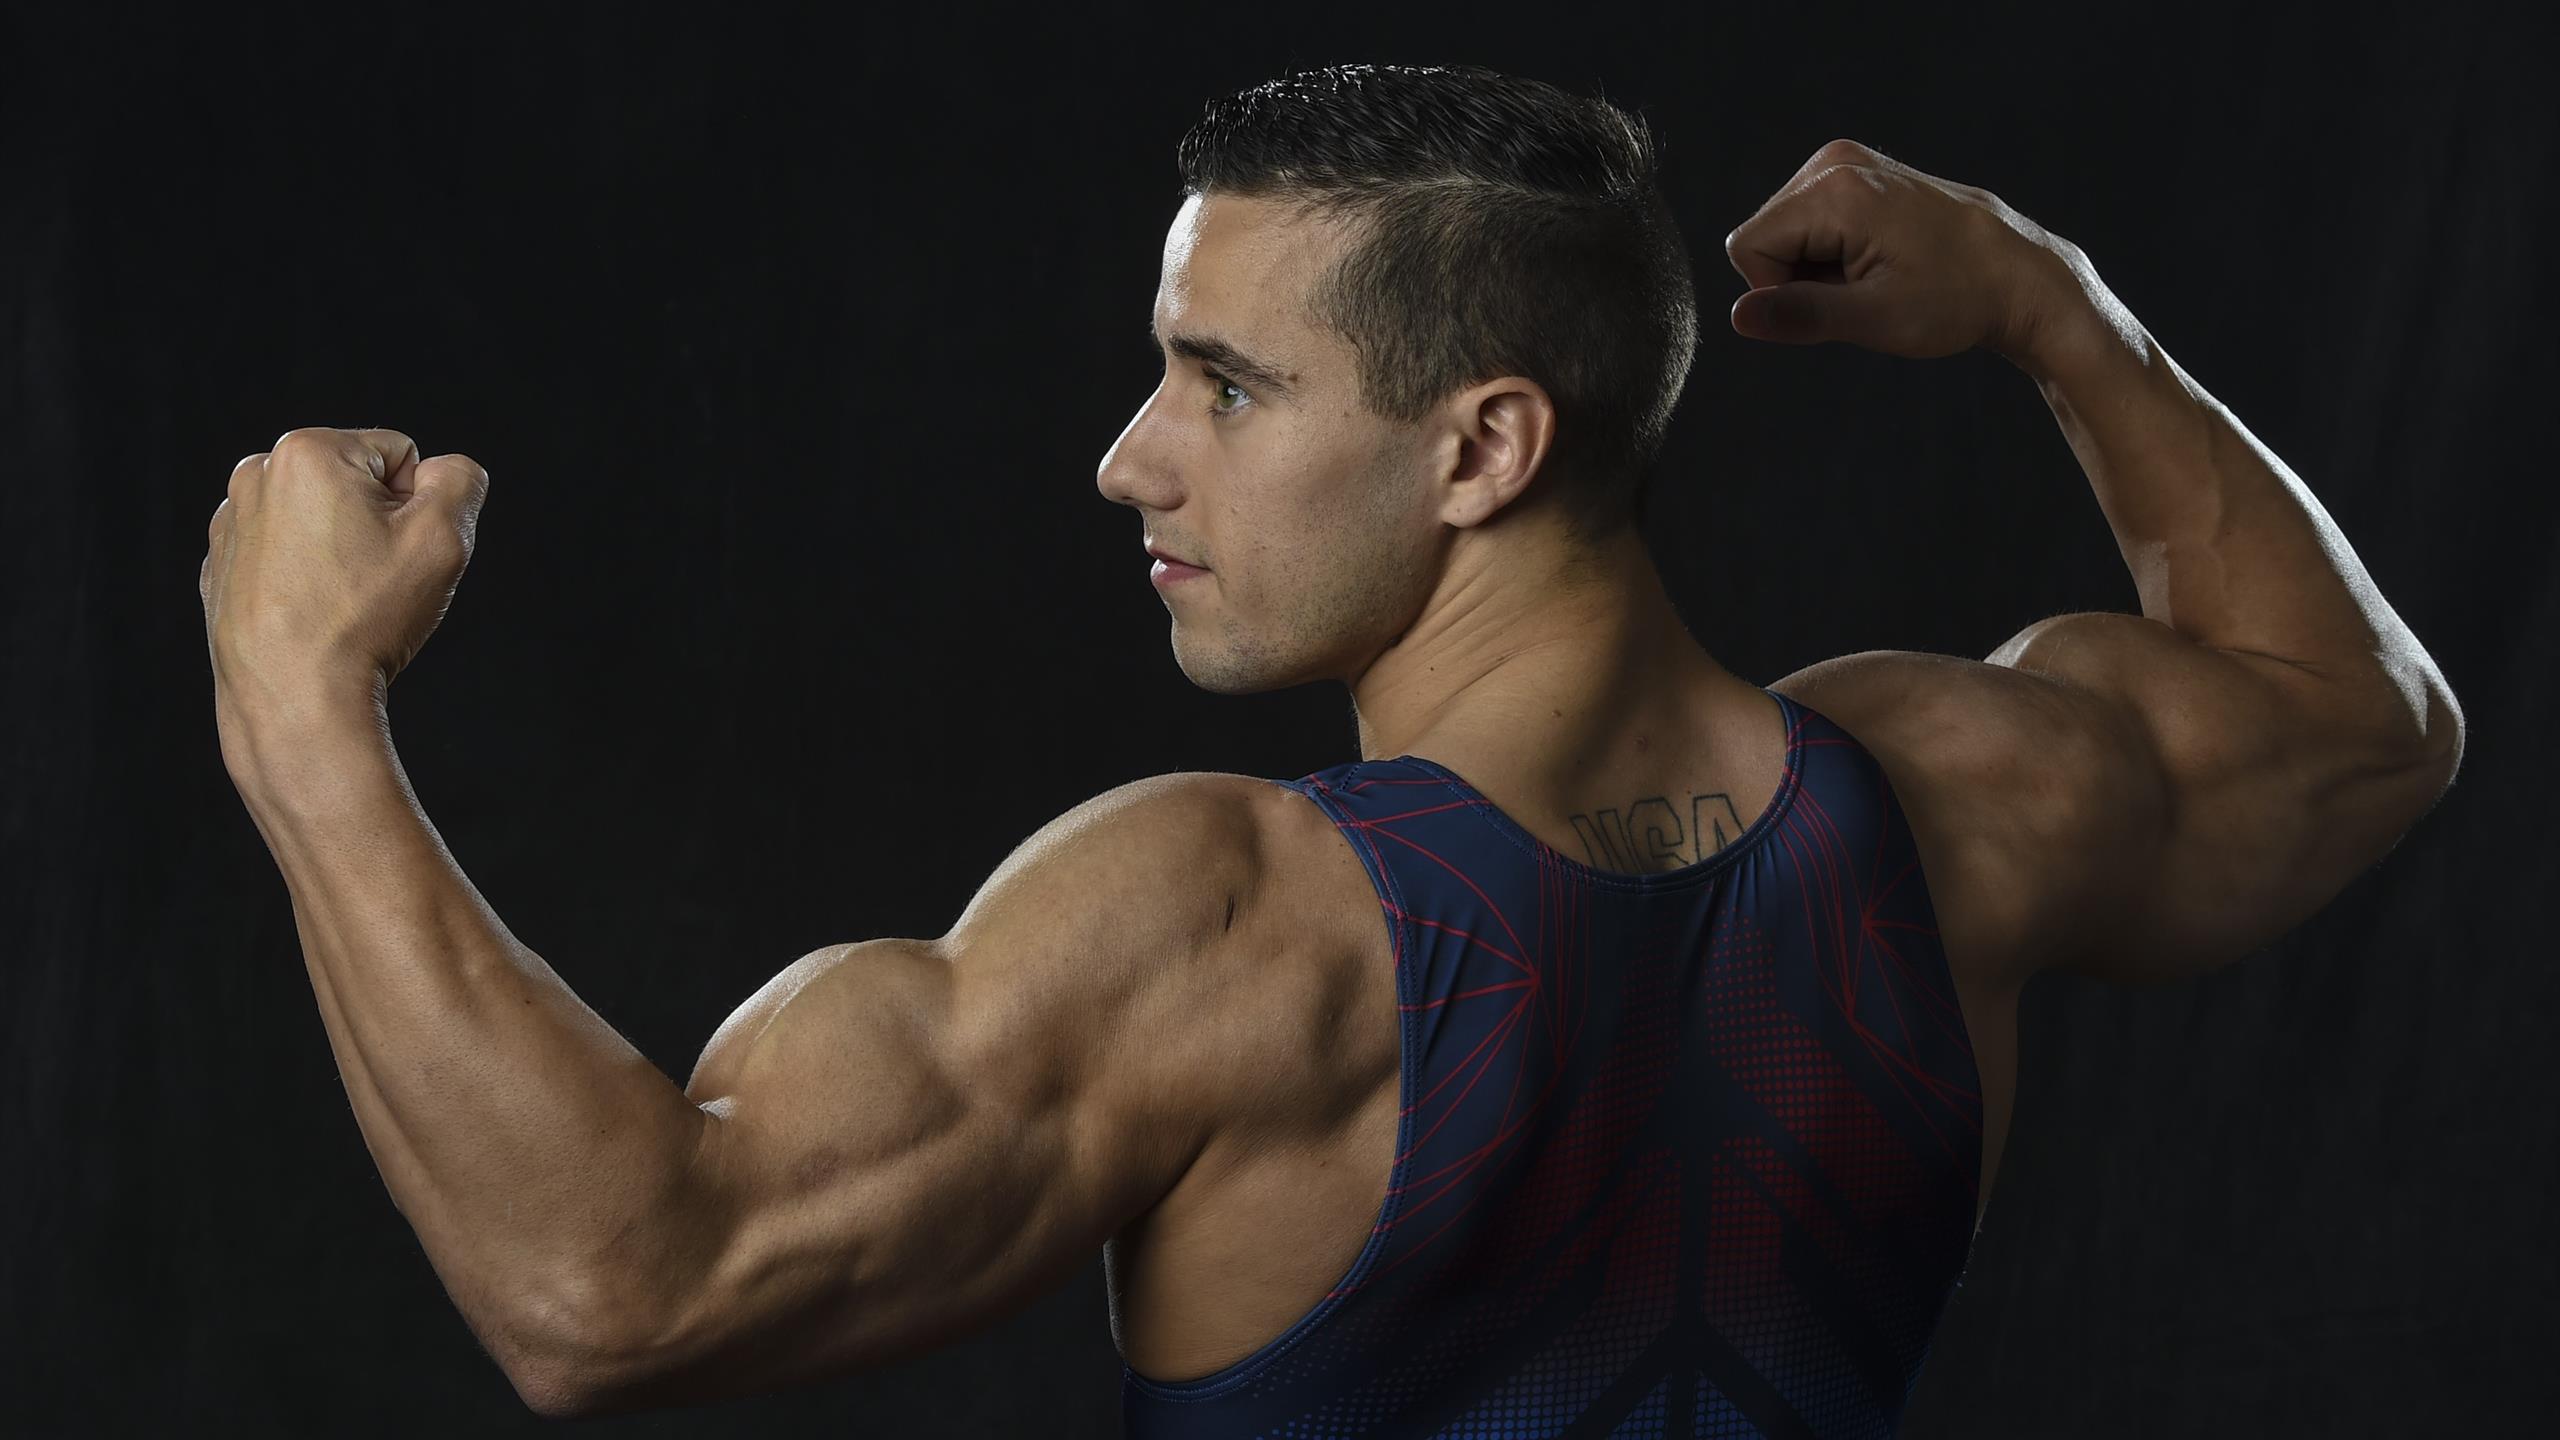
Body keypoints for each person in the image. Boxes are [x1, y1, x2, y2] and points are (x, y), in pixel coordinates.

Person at [203, 63, 2464, 1435]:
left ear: (1483, 446)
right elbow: (2354, 722)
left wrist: (305, 713)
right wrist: (2057, 309)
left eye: (1225, 382)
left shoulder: (1233, 931)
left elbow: (615, 1293)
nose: (1130, 457)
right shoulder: (1962, 801)